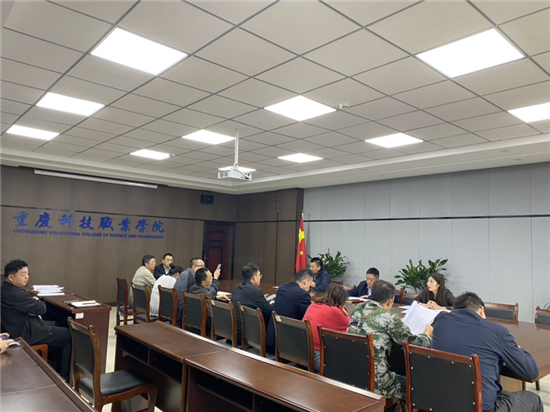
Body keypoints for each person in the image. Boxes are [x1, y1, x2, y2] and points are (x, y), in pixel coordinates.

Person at [432, 292, 542, 412]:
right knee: (533, 399)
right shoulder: (497, 332)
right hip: (481, 408)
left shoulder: (440, 321)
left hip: (443, 402)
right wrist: (517, 348)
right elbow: (531, 372)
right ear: (481, 310)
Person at [347, 280, 432, 401]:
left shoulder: (357, 309)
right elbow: (412, 342)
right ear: (390, 301)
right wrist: (427, 335)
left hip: (352, 373)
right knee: (414, 385)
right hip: (377, 382)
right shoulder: (390, 318)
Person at [0, 259, 72, 380]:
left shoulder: (8, 289)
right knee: (69, 336)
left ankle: (54, 364)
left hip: (22, 326)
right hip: (26, 332)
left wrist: (34, 299)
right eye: (23, 274)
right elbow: (41, 309)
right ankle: (64, 375)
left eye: (28, 274)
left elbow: (31, 297)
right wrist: (35, 301)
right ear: (11, 277)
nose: (27, 277)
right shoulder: (14, 294)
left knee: (59, 322)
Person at [303, 283, 350, 372]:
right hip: (317, 357)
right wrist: (344, 312)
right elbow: (350, 328)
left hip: (302, 352)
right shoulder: (335, 311)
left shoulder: (314, 304)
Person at [266, 269, 314, 352]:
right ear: (305, 282)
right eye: (310, 286)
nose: (309, 289)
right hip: (287, 346)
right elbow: (309, 316)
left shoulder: (282, 287)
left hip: (272, 339)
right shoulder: (302, 294)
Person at [230, 263, 273, 344]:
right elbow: (268, 311)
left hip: (234, 331)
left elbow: (248, 299)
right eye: (259, 275)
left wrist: (261, 299)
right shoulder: (256, 291)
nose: (260, 277)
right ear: (254, 277)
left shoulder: (238, 287)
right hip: (246, 335)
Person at [174, 258, 221, 327]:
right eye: (201, 266)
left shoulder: (184, 273)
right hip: (185, 313)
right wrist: (216, 279)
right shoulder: (193, 277)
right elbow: (211, 292)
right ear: (194, 267)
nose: (204, 268)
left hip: (182, 311)